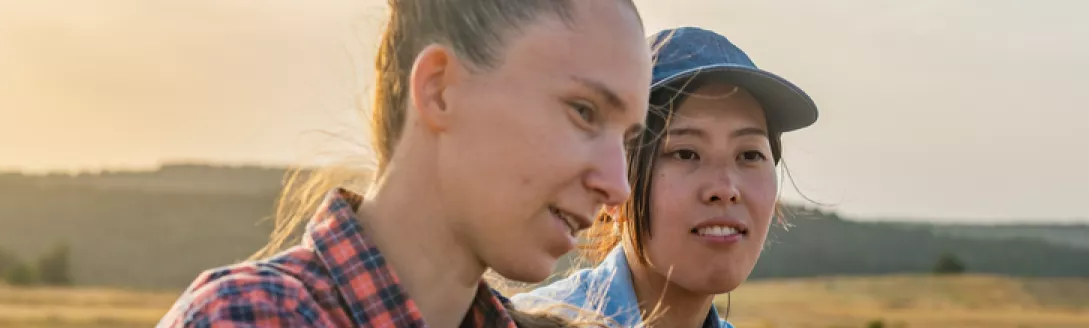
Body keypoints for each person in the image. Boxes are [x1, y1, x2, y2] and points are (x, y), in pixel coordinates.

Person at [156, 0, 650, 326]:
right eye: (584, 112)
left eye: (628, 141)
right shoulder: (251, 318)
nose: (617, 186)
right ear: (438, 89)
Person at [512, 26, 821, 328]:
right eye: (686, 153)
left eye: (750, 155)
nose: (725, 188)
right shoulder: (527, 322)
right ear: (613, 187)